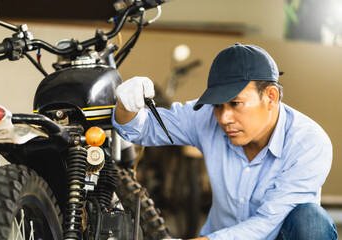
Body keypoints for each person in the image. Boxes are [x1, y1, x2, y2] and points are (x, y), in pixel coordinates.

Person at [112, 43, 338, 240]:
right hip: (220, 234)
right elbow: (143, 129)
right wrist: (126, 105)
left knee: (311, 220)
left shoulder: (309, 144)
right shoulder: (206, 117)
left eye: (236, 103)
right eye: (218, 105)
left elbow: (267, 224)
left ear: (271, 97)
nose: (224, 118)